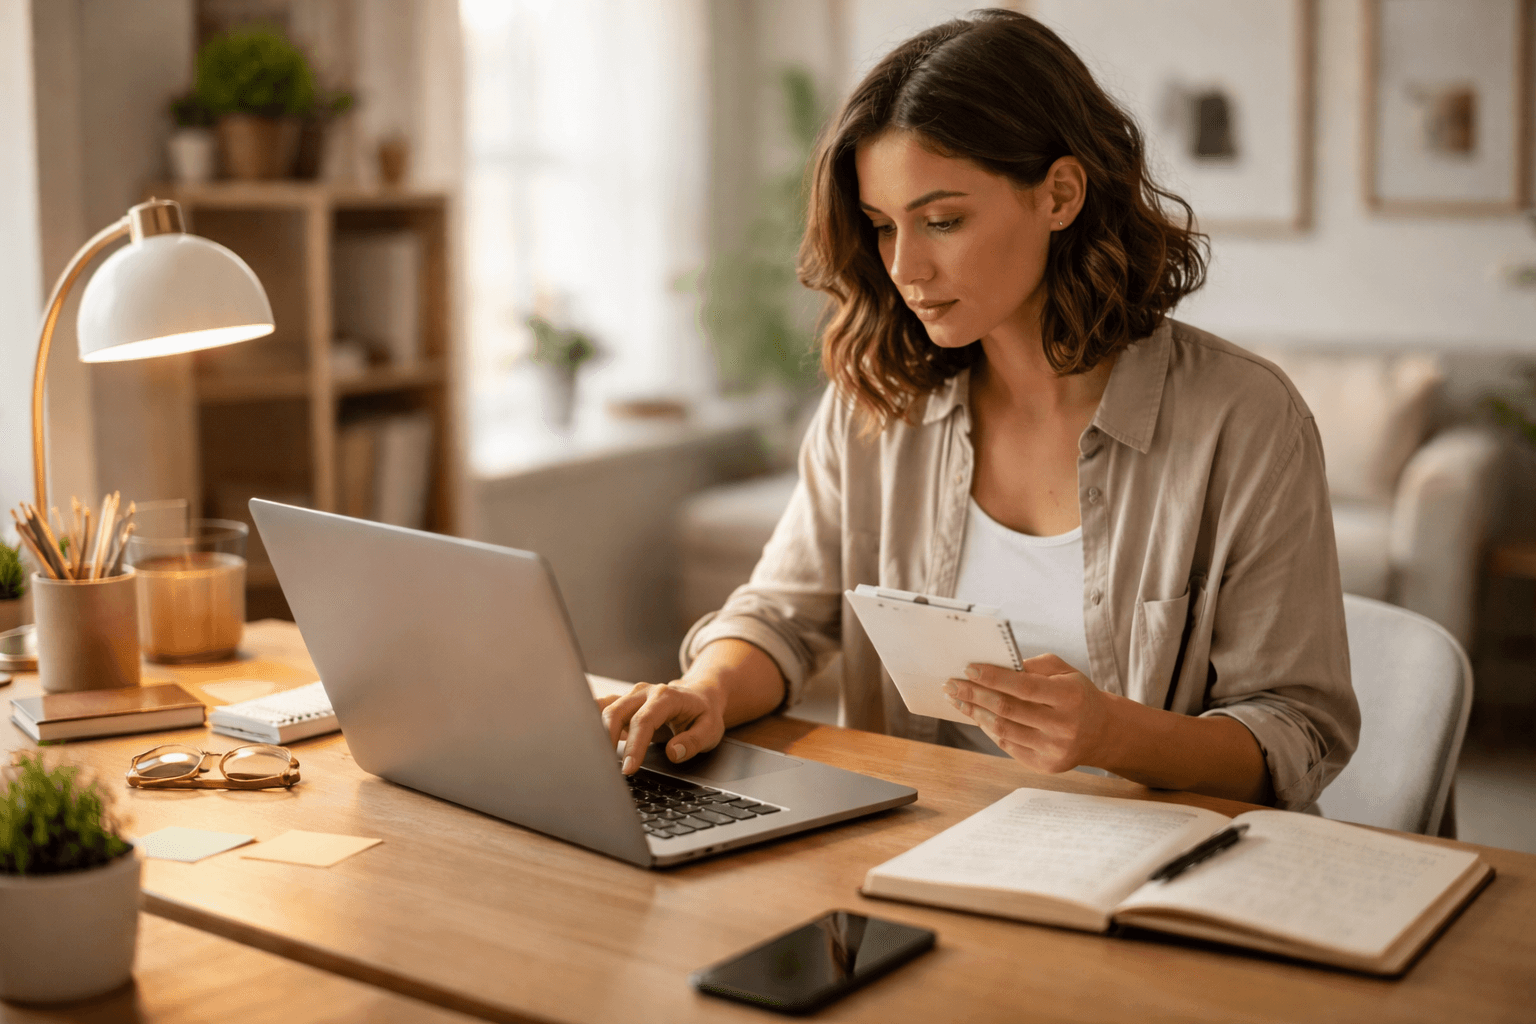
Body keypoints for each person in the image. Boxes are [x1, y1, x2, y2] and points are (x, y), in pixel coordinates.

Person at [600, 9, 1357, 810]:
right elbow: (781, 617)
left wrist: (1110, 734)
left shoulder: (1243, 420)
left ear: (1060, 194)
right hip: (920, 847)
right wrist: (710, 688)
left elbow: (1296, 733)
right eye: (883, 226)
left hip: (1159, 866)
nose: (904, 267)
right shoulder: (878, 403)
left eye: (943, 220)